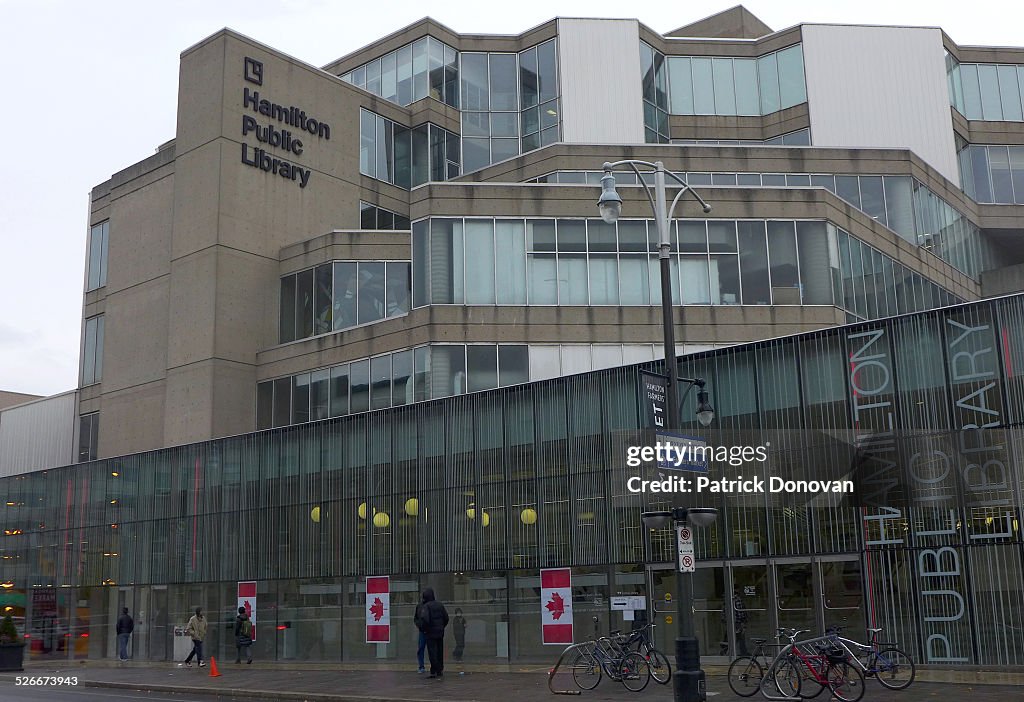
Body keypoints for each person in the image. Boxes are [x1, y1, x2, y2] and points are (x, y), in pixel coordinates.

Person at [415, 588, 449, 679]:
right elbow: (446, 618)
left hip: (430, 632)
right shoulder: (440, 605)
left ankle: (434, 670)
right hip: (440, 632)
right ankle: (440, 669)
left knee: (432, 652)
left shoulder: (426, 606)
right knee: (439, 651)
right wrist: (441, 626)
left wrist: (424, 629)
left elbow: (425, 619)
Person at [414, 599, 427, 674]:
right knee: (421, 648)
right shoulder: (419, 606)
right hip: (422, 630)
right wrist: (419, 625)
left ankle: (434, 666)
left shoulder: (430, 605)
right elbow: (416, 618)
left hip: (430, 631)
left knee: (432, 649)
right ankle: (421, 666)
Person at [451, 608, 466, 675]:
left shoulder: (462, 618)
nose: (459, 613)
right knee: (459, 644)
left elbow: (465, 625)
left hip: (462, 633)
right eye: (458, 612)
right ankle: (457, 655)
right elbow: (456, 626)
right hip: (457, 634)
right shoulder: (455, 619)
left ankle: (457, 654)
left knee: (461, 644)